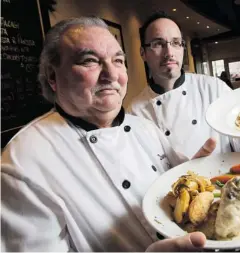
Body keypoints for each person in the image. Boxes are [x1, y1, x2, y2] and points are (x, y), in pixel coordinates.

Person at [1, 17, 216, 252]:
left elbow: (177, 196)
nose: (112, 75)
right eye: (90, 61)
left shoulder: (144, 128)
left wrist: (194, 177)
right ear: (53, 77)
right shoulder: (23, 162)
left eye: (118, 60)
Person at [128, 12, 240, 158]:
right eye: (158, 44)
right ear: (143, 53)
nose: (169, 52)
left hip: (225, 178)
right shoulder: (136, 112)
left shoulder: (214, 88)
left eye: (176, 43)